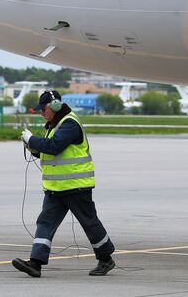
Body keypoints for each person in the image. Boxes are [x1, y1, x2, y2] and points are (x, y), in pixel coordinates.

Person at [12, 90, 115, 278]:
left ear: (55, 106)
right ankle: (35, 263)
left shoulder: (70, 124)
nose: (42, 113)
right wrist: (32, 147)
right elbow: (50, 151)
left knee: (89, 223)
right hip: (56, 188)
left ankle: (106, 259)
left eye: (43, 109)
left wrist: (32, 139)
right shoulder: (56, 124)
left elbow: (54, 146)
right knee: (45, 222)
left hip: (76, 186)